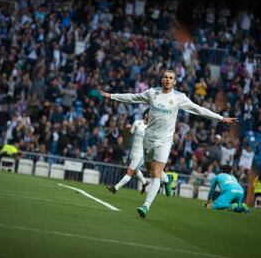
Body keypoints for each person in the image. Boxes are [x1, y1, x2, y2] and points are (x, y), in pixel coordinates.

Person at [98, 70, 238, 218]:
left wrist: (221, 118)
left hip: (165, 141)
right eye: (165, 77)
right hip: (149, 138)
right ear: (161, 79)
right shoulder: (152, 93)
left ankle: (146, 206)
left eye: (171, 78)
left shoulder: (179, 97)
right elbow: (133, 97)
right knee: (151, 171)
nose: (167, 80)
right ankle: (167, 179)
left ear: (175, 82)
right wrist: (112, 96)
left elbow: (199, 109)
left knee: (155, 175)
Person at [106, 109, 150, 194]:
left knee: (130, 171)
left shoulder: (152, 128)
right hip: (133, 150)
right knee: (135, 170)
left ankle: (115, 188)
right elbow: (131, 132)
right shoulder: (137, 122)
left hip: (141, 153)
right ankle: (144, 183)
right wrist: (129, 128)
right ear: (146, 115)